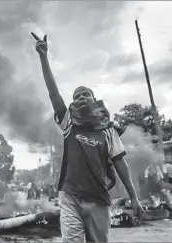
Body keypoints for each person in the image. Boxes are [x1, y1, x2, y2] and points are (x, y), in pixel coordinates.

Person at [32, 32, 143, 243]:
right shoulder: (69, 124)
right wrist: (44, 57)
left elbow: (121, 165)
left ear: (94, 99)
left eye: (85, 94)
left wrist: (134, 197)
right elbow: (53, 94)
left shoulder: (108, 132)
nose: (81, 97)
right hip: (70, 195)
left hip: (98, 199)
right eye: (76, 96)